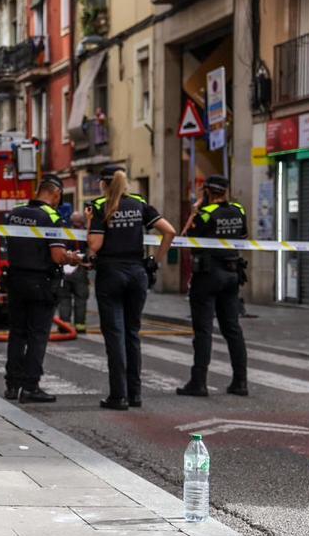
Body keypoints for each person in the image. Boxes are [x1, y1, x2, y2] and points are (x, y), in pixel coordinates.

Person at [86, 167, 177, 410]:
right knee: (132, 333)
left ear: (104, 184)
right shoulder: (140, 204)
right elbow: (170, 231)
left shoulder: (99, 206)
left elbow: (95, 244)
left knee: (115, 335)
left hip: (111, 274)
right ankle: (135, 394)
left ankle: (119, 396)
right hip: (137, 273)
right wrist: (155, 261)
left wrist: (89, 224)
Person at [4, 176, 82, 403]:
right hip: (41, 282)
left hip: (16, 279)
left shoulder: (16, 213)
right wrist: (74, 258)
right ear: (56, 194)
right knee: (37, 336)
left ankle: (12, 385)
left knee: (17, 334)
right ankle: (30, 387)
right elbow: (57, 256)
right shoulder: (52, 217)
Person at [177, 175, 249, 397]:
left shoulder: (205, 213)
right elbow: (244, 235)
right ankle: (240, 382)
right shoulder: (238, 210)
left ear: (208, 191)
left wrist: (195, 209)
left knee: (203, 330)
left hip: (208, 275)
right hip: (232, 273)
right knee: (233, 329)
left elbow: (185, 236)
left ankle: (198, 382)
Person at [57, 210, 90, 334]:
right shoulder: (86, 233)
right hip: (80, 268)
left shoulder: (65, 232)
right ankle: (80, 326)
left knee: (64, 298)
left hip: (65, 268)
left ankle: (64, 325)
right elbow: (91, 249)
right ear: (82, 222)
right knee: (80, 299)